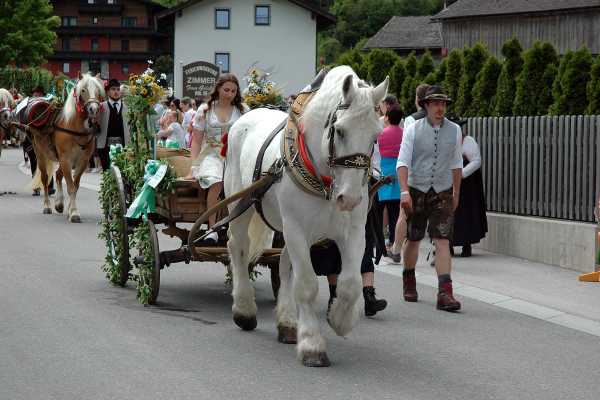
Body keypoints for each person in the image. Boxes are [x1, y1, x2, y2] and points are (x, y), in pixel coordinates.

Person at [396, 85, 463, 312]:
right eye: (435, 103)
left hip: (442, 190)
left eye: (443, 103)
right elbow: (402, 161)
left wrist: (456, 192)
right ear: (425, 105)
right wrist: (404, 191)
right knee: (414, 238)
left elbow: (456, 163)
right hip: (416, 189)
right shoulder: (413, 129)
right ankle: (409, 279)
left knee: (442, 240)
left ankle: (445, 293)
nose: (440, 108)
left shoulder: (454, 130)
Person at [186, 73, 249, 243]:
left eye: (234, 91)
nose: (230, 94)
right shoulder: (205, 109)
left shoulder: (243, 110)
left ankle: (236, 227)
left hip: (234, 154)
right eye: (226, 90)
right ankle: (212, 228)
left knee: (245, 184)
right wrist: (193, 166)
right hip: (211, 154)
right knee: (216, 181)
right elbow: (197, 141)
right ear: (218, 89)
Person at [388, 83, 431, 262]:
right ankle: (437, 251)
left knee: (404, 214)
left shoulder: (411, 120)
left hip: (415, 173)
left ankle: (397, 250)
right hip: (435, 173)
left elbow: (407, 149)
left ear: (418, 100)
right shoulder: (441, 120)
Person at [453, 123, 488, 257]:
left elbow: (476, 161)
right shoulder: (443, 141)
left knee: (465, 214)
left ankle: (466, 245)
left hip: (467, 186)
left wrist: (461, 173)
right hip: (447, 182)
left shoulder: (469, 141)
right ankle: (446, 245)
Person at [378, 107, 403, 263]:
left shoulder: (381, 134)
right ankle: (394, 242)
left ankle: (380, 243)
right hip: (399, 172)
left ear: (387, 117)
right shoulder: (404, 133)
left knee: (380, 211)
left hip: (384, 172)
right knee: (395, 213)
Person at [23, 86, 54, 195]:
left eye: (39, 94)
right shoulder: (27, 104)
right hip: (31, 137)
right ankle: (36, 187)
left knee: (48, 161)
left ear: (42, 95)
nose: (37, 96)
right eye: (35, 94)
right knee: (34, 162)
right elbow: (23, 118)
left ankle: (50, 186)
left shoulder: (48, 104)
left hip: (46, 137)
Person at [98, 79, 130, 170]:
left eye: (118, 89)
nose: (116, 92)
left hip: (124, 147)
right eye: (113, 89)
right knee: (107, 173)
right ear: (108, 92)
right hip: (104, 147)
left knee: (123, 173)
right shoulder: (101, 107)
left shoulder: (128, 107)